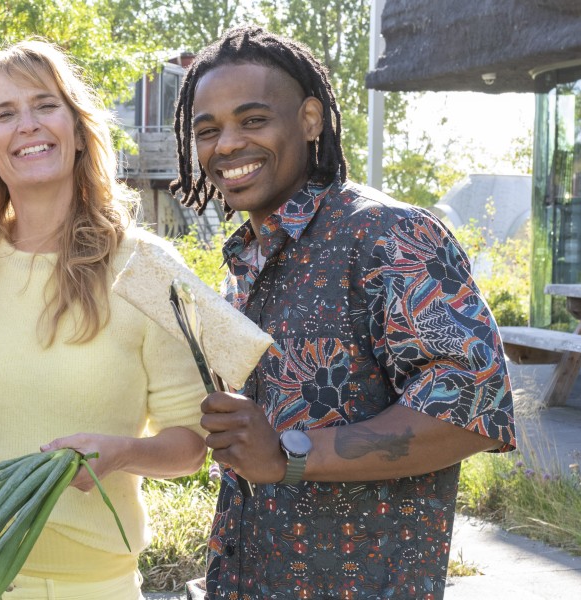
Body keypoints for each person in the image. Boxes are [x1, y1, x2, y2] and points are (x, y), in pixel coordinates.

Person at [171, 27, 516, 599]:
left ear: (311, 121)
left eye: (252, 120)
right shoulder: (245, 261)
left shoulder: (388, 237)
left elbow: (473, 411)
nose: (226, 145)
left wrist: (289, 455)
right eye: (207, 131)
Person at [0, 40, 207, 599]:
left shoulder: (148, 270)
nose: (27, 125)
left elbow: (191, 444)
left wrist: (122, 452)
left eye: (45, 105)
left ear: (77, 130)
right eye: (4, 114)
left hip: (90, 586)